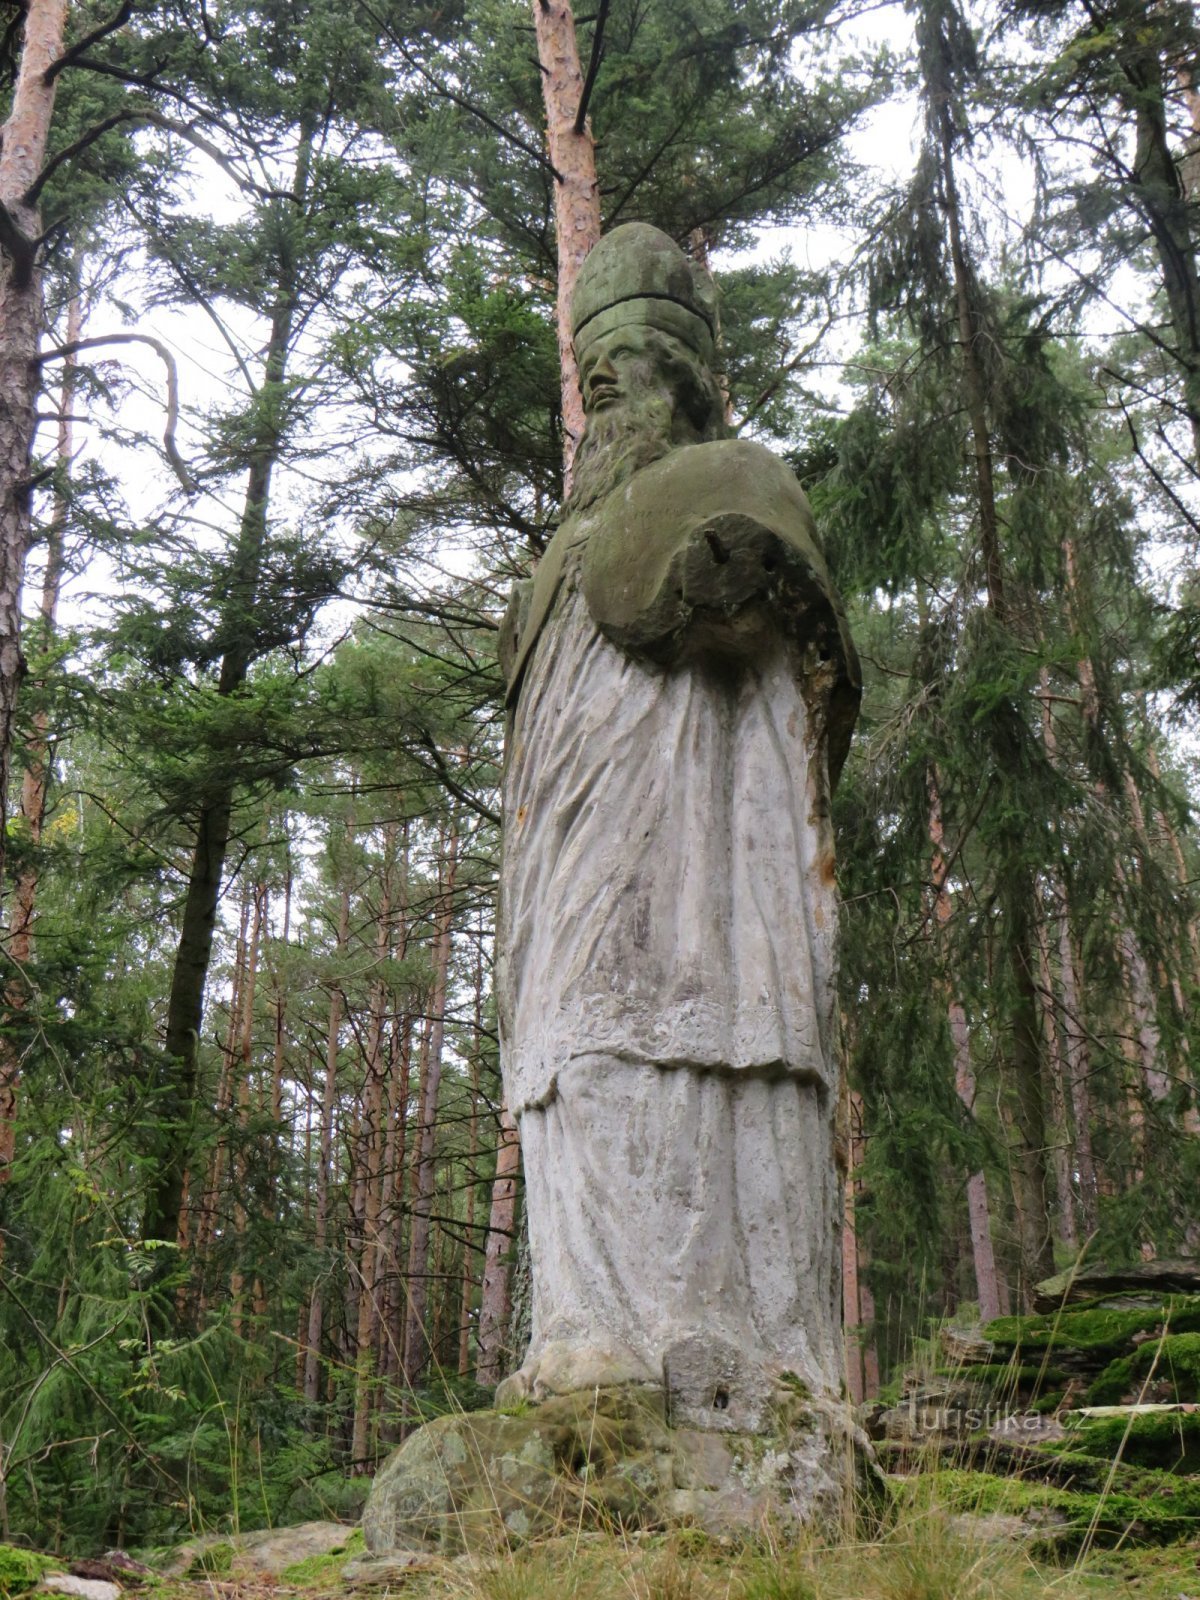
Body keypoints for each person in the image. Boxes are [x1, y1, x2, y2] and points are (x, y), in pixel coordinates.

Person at [495, 223, 860, 1429]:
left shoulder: (741, 477)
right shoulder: (558, 553)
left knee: (684, 1051)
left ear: (692, 372)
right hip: (563, 871)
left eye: (632, 357)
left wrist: (734, 574)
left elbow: (797, 646)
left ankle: (733, 1362)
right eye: (588, 368)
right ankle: (586, 1343)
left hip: (695, 855)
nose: (601, 387)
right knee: (578, 1066)